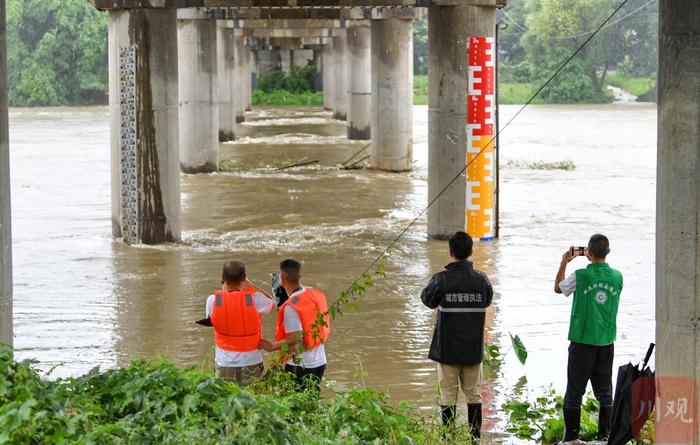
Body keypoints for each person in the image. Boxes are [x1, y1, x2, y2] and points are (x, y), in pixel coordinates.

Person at [421, 231, 493, 439]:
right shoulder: (482, 280)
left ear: (450, 252)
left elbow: (427, 300)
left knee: (447, 396)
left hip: (447, 351)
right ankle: (475, 439)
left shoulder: (441, 280)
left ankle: (448, 438)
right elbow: (487, 301)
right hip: (472, 351)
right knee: (474, 396)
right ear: (471, 252)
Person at [554, 234, 623, 441]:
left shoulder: (580, 275)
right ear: (608, 253)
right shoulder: (617, 276)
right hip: (606, 341)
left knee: (575, 390)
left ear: (589, 253)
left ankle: (572, 438)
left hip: (582, 342)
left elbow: (558, 288)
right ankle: (605, 437)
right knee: (605, 391)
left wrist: (564, 261)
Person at [260, 259, 331, 392]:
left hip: (299, 365)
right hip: (320, 361)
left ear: (282, 279)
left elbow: (296, 336)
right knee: (312, 401)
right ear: (300, 276)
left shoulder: (290, 307)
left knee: (294, 404)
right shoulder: (313, 292)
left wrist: (271, 347)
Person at [204, 261, 275, 386]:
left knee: (226, 401)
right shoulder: (255, 299)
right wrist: (250, 284)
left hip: (225, 362)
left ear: (222, 278)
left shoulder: (213, 301)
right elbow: (271, 302)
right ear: (244, 278)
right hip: (252, 360)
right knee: (253, 401)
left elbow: (213, 321)